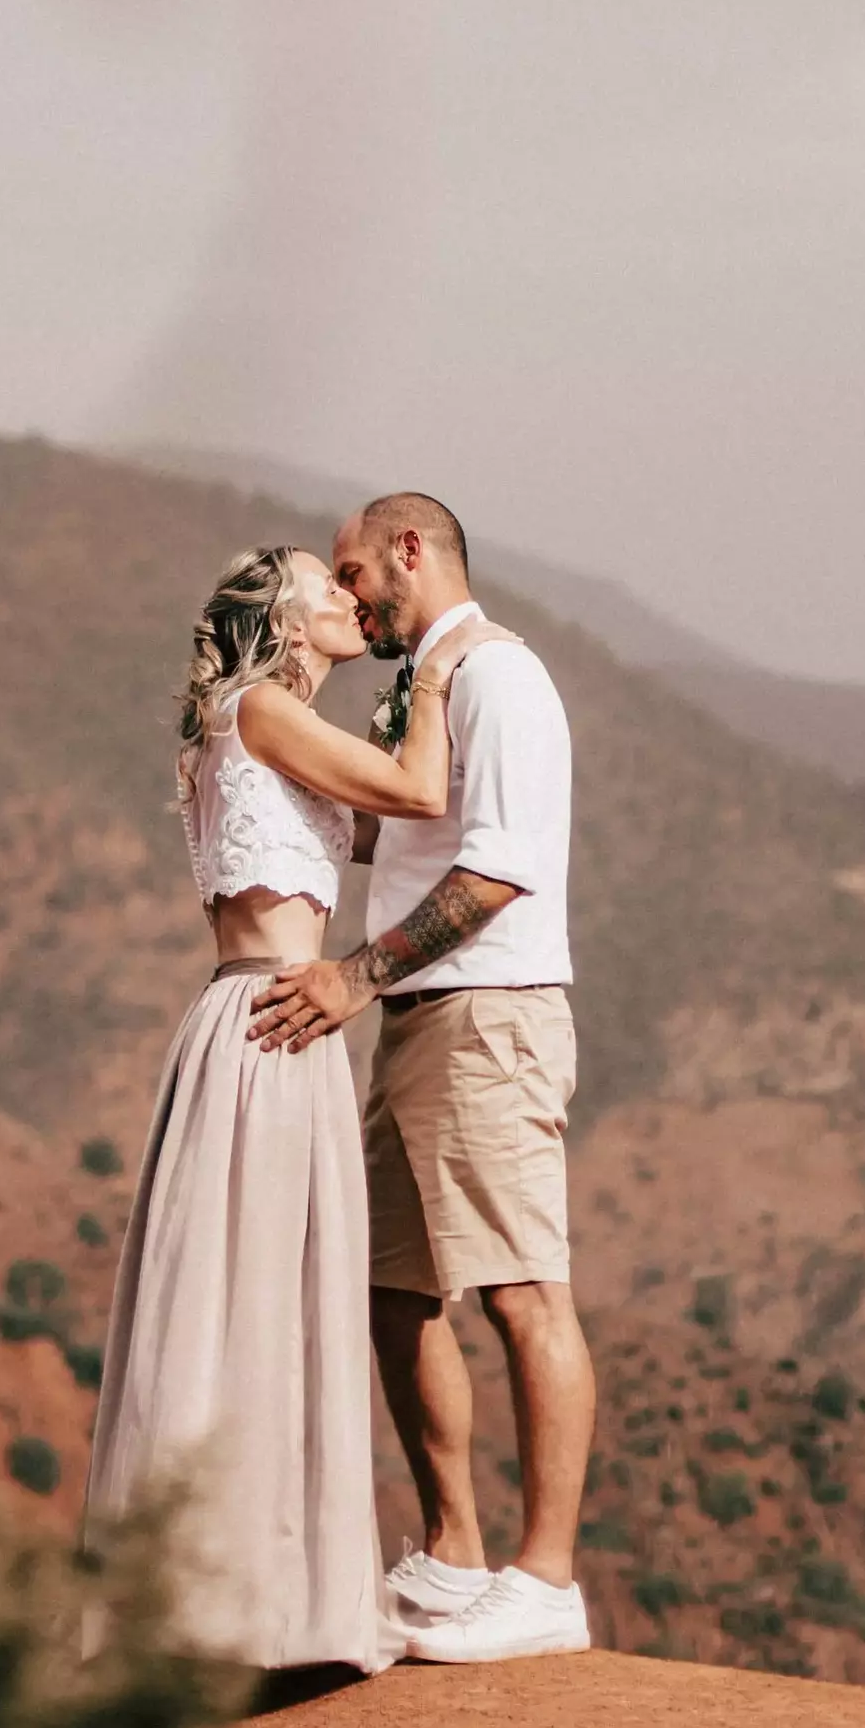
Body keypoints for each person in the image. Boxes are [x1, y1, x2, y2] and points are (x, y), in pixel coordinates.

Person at [82, 544, 502, 1674]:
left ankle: (268, 1603)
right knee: (247, 1295)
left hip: (296, 1023)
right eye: (327, 584)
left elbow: (396, 826)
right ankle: (207, 1609)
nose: (348, 598)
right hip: (272, 1020)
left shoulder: (272, 733)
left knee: (277, 1300)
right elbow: (417, 792)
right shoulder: (259, 707)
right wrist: (439, 659)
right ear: (282, 613)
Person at [251, 492, 590, 1666]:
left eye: (356, 574)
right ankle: (452, 1555)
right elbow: (407, 833)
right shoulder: (427, 687)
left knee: (522, 1288)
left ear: (411, 550)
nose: (350, 599)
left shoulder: (499, 676)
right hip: (417, 1024)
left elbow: (497, 870)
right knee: (397, 1292)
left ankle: (545, 1576)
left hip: (487, 1014)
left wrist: (352, 973)